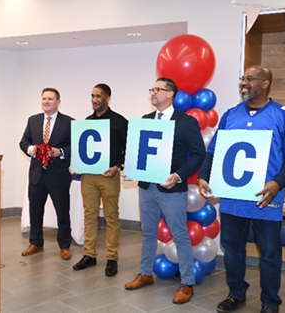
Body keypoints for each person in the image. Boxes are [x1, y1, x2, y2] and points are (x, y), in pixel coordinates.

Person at [197, 65, 285, 313]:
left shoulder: (283, 115)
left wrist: (278, 182)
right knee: (232, 248)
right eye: (242, 78)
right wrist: (204, 175)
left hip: (266, 198)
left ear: (265, 83)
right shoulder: (230, 115)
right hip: (233, 198)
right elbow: (214, 150)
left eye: (250, 79)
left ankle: (270, 302)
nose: (243, 82)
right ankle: (236, 294)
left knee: (269, 253)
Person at [123, 77, 205, 304]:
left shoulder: (187, 122)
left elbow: (199, 154)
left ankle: (187, 283)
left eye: (157, 89)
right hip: (147, 187)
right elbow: (139, 152)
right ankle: (145, 273)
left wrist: (178, 175)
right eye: (152, 89)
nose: (153, 93)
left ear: (170, 94)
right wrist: (130, 169)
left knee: (180, 235)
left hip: (172, 190)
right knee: (148, 233)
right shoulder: (146, 120)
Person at [72, 83, 128, 277]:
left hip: (108, 176)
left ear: (107, 98)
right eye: (92, 96)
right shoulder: (87, 121)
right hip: (88, 177)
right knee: (89, 215)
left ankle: (112, 258)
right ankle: (90, 254)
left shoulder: (120, 121)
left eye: (98, 96)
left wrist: (118, 167)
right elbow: (82, 150)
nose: (94, 99)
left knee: (111, 217)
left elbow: (128, 150)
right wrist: (75, 164)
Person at [20, 87, 73, 260]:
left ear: (58, 102)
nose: (46, 102)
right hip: (37, 175)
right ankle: (36, 242)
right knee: (35, 211)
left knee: (62, 212)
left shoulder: (69, 122)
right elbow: (23, 142)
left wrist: (61, 152)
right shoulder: (33, 120)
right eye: (44, 99)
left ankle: (64, 246)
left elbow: (76, 146)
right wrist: (31, 149)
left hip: (58, 176)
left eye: (50, 99)